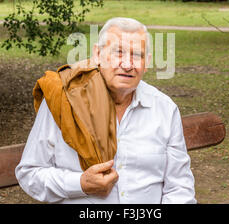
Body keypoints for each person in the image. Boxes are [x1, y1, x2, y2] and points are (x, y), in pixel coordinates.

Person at [15, 17, 196, 204]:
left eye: (137, 55)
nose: (127, 64)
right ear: (98, 54)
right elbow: (30, 173)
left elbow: (180, 187)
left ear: (147, 61)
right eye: (118, 52)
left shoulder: (164, 109)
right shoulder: (65, 99)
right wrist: (80, 184)